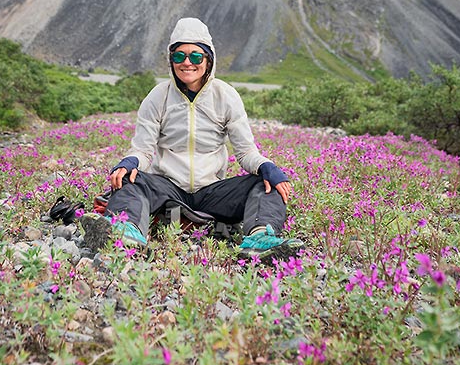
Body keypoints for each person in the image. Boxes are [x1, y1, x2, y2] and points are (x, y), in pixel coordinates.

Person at [82, 17, 303, 259]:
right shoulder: (158, 97)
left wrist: (266, 166)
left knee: (266, 183)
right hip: (168, 188)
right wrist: (130, 162)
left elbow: (246, 152)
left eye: (196, 57)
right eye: (179, 56)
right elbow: (143, 151)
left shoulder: (226, 96)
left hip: (212, 191)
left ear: (209, 61)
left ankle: (260, 239)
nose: (187, 63)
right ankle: (126, 232)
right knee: (130, 179)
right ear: (171, 60)